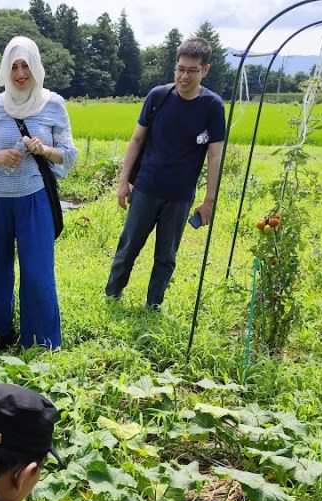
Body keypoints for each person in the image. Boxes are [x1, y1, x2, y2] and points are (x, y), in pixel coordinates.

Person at [0, 37, 77, 351]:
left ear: (36, 67)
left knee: (37, 272)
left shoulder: (53, 104)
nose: (20, 73)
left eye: (25, 65)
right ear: (6, 69)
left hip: (34, 198)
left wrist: (44, 150)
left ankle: (41, 342)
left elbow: (68, 154)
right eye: (13, 66)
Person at [104, 36, 226, 310]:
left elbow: (215, 155)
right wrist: (123, 182)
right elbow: (136, 139)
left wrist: (209, 200)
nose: (184, 76)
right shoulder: (158, 96)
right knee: (128, 247)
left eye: (192, 71)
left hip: (180, 195)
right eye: (180, 69)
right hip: (146, 187)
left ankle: (153, 304)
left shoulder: (212, 106)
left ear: (205, 70)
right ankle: (112, 295)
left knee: (166, 256)